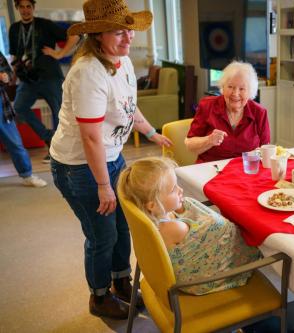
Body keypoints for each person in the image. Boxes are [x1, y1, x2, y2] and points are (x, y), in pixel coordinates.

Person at [49, 0, 173, 320]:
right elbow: (90, 138)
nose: (128, 38)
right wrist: (103, 185)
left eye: (129, 30)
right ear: (98, 35)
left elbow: (129, 106)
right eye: (119, 32)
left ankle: (122, 282)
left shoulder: (122, 61)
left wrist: (151, 133)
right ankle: (99, 296)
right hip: (80, 167)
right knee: (101, 235)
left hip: (111, 157)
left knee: (123, 226)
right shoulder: (88, 72)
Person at [117, 156, 261, 295]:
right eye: (173, 189)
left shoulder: (155, 217)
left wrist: (178, 204)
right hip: (199, 282)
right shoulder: (173, 229)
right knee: (263, 240)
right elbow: (209, 229)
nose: (180, 190)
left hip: (179, 274)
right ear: (152, 205)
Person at [9, 0, 81, 163]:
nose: (26, 10)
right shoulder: (14, 29)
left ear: (33, 8)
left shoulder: (45, 25)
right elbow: (15, 56)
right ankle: (49, 137)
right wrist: (13, 79)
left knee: (58, 112)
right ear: (18, 8)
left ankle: (56, 152)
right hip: (27, 79)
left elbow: (75, 35)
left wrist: (60, 54)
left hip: (50, 77)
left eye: (29, 6)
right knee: (19, 108)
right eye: (22, 7)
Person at [185, 61, 270, 163]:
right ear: (223, 87)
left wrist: (258, 154)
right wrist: (209, 140)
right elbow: (189, 144)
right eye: (230, 87)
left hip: (245, 171)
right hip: (211, 169)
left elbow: (266, 149)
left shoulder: (259, 112)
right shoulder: (207, 106)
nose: (235, 93)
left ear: (250, 91)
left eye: (242, 89)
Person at [0, 50, 46, 187]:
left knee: (15, 143)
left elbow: (8, 73)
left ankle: (27, 175)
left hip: (1, 105)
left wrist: (6, 77)